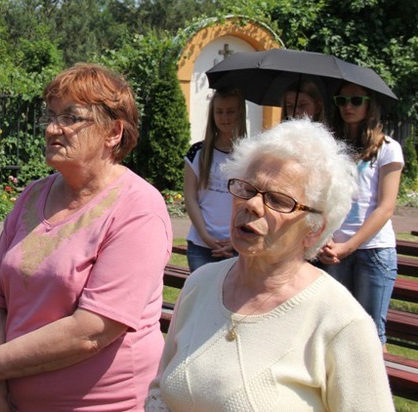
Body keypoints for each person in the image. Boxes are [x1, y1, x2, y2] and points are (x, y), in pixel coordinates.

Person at [146, 118, 394, 411]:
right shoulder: (200, 284)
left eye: (277, 200)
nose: (251, 205)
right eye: (247, 189)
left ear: (314, 229)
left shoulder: (340, 321)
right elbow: (161, 393)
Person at [0, 63, 172, 411]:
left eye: (70, 118)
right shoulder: (32, 196)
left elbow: (93, 330)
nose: (51, 128)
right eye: (51, 115)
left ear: (113, 133)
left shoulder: (139, 208)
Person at [318, 82, 403, 347]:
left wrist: (349, 246)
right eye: (342, 100)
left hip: (372, 252)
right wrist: (327, 239)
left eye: (356, 100)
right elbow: (321, 197)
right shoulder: (331, 147)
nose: (347, 106)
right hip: (333, 250)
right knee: (335, 330)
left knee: (369, 333)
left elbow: (385, 207)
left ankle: (372, 389)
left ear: (370, 104)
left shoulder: (388, 148)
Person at [184, 87, 246, 271]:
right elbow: (190, 197)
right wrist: (205, 236)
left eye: (230, 112)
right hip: (201, 245)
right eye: (219, 112)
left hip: (237, 245)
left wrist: (236, 240)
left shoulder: (250, 154)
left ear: (240, 113)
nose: (224, 118)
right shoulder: (198, 152)